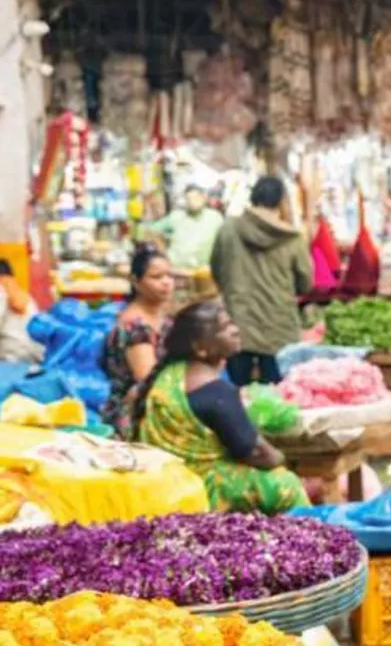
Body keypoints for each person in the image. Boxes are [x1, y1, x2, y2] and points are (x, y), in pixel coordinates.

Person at [135, 300, 317, 513]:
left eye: (232, 323)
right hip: (202, 484)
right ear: (200, 348)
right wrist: (282, 460)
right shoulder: (216, 391)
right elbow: (258, 454)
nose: (235, 330)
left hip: (168, 478)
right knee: (284, 483)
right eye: (224, 328)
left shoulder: (171, 375)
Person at [211, 175, 313, 387]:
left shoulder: (228, 229)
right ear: (281, 201)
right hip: (279, 328)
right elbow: (306, 283)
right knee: (280, 398)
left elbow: (216, 270)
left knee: (238, 396)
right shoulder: (292, 238)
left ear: (253, 196)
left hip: (237, 324)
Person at [99, 247, 175, 439]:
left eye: (169, 275)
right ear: (136, 282)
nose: (166, 282)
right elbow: (147, 378)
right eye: (157, 277)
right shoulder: (135, 326)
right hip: (134, 413)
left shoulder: (164, 319)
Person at [149, 184, 224, 269]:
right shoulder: (176, 216)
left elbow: (224, 240)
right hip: (177, 268)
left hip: (202, 270)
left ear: (203, 197)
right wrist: (163, 252)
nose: (192, 201)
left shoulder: (215, 217)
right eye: (188, 198)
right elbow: (152, 230)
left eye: (196, 197)